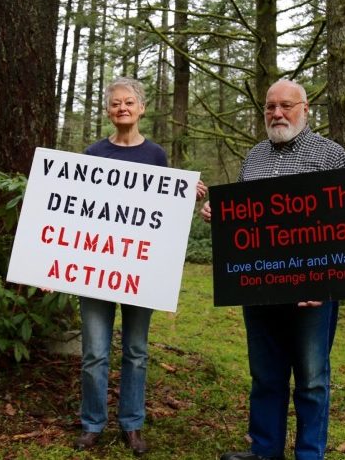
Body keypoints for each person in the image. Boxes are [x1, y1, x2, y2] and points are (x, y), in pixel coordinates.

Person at [201, 79, 345, 460]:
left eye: (286, 105)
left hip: (312, 291)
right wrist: (219, 216)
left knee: (312, 380)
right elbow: (245, 220)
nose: (277, 114)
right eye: (270, 107)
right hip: (260, 286)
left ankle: (309, 454)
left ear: (305, 108)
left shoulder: (331, 156)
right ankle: (265, 450)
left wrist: (328, 280)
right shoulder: (254, 157)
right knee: (265, 375)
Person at [74, 77, 206, 456]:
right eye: (115, 103)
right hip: (96, 267)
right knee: (95, 352)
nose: (122, 108)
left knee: (136, 350)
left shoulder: (156, 156)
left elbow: (161, 215)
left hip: (139, 272)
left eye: (129, 102)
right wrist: (54, 266)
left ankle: (132, 425)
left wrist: (186, 195)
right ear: (107, 110)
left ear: (142, 108)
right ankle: (92, 424)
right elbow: (77, 213)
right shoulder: (92, 154)